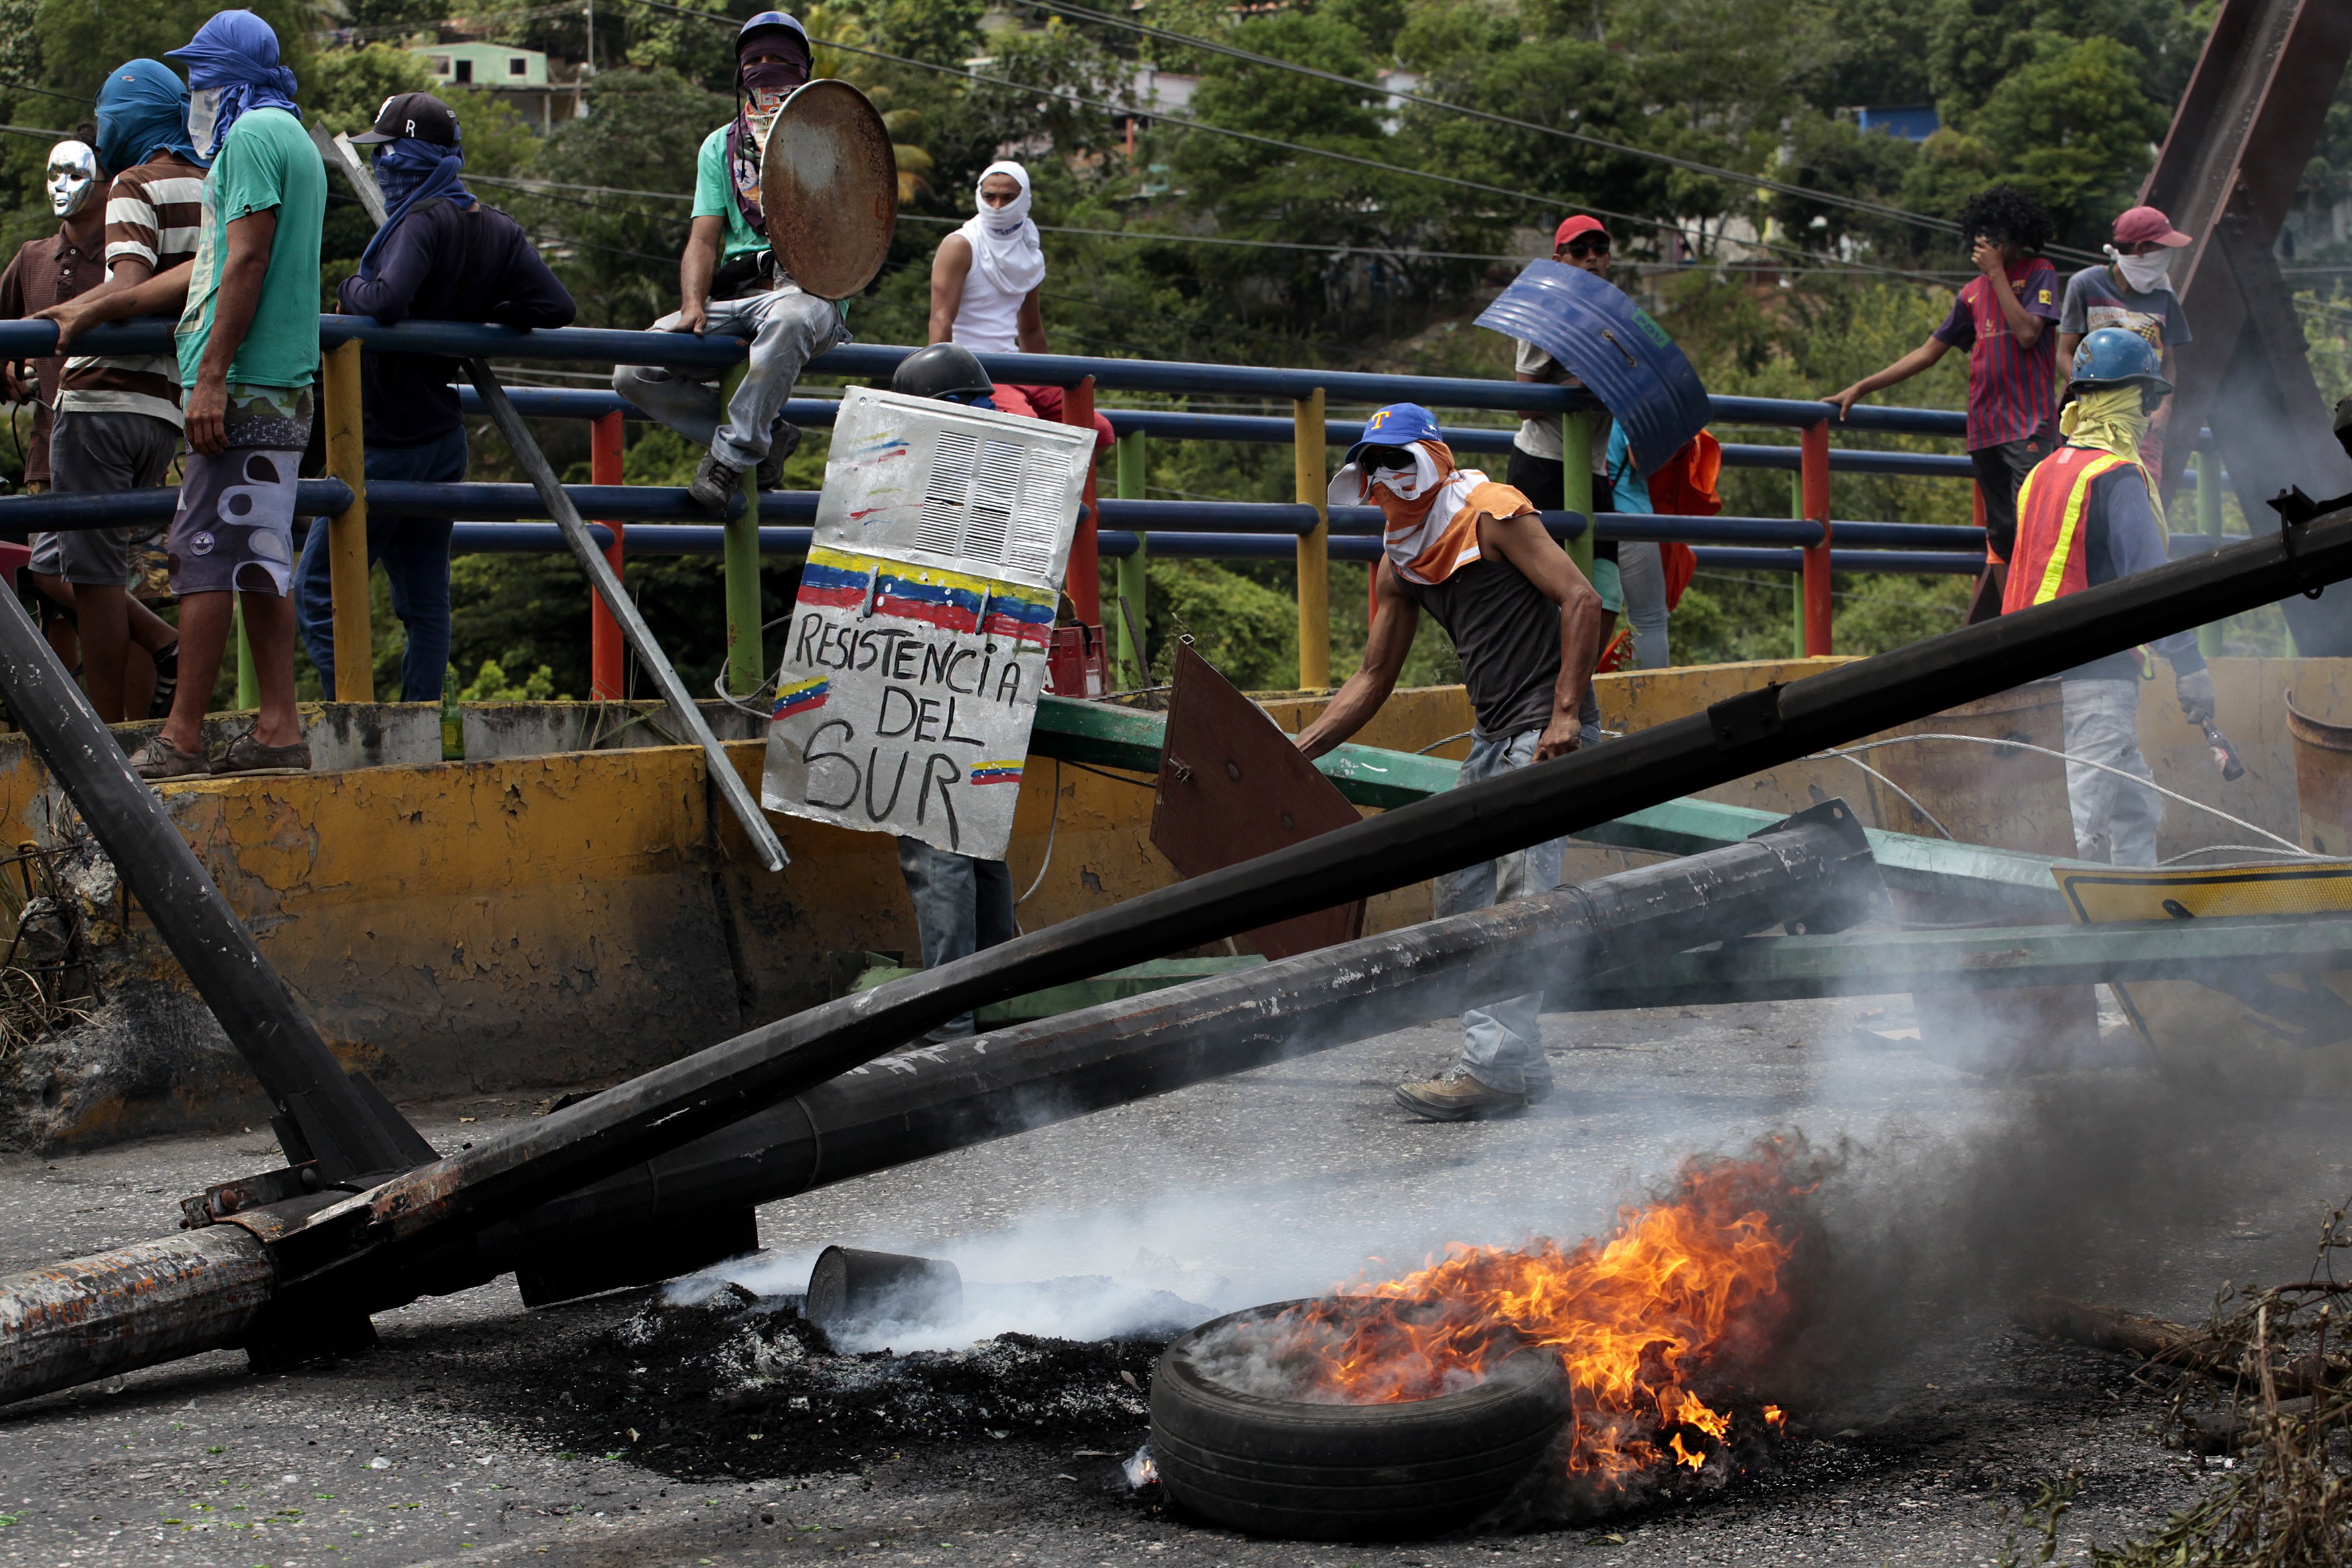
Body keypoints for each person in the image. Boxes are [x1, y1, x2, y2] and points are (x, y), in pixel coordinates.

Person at [1296, 403, 1605, 1121]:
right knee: (1462, 894)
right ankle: (1517, 1066)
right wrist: (1299, 751)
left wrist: (1564, 715)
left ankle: (1491, 1070)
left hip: (1542, 729)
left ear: (1433, 454)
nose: (1390, 479)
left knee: (1516, 899)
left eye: (1401, 460)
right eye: (1375, 466)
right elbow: (1373, 678)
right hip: (1493, 734)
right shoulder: (1401, 556)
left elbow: (1581, 600)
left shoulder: (1491, 511)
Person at [45, 10, 325, 779]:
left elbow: (245, 263)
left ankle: (183, 737)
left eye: (205, 74)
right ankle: (279, 730)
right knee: (260, 558)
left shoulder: (251, 140)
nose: (196, 90)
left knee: (200, 554)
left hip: (241, 383)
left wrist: (209, 377)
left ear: (231, 74)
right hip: (282, 383)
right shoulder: (292, 137)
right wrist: (109, 304)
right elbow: (211, 264)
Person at [295, 91, 574, 702]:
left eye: (388, 152)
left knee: (316, 590)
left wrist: (348, 286)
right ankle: (419, 720)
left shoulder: (421, 220)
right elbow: (555, 306)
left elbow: (387, 300)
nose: (381, 166)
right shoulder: (494, 225)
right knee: (425, 603)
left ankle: (354, 713)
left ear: (411, 155)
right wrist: (479, 314)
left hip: (385, 437)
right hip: (441, 441)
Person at [612, 11, 846, 513]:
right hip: (737, 296)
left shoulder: (836, 142)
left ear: (804, 69)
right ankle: (768, 433)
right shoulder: (720, 147)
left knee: (789, 317)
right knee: (633, 370)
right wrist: (693, 304)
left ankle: (730, 457)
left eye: (779, 61)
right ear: (740, 73)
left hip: (807, 298)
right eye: (755, 61)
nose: (766, 70)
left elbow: (856, 237)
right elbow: (703, 239)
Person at [2001, 328, 2211, 868]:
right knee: (2080, 829)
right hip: (2092, 680)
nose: (2149, 412)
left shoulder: (2042, 473)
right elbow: (2150, 582)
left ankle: (2134, 915)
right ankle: (2071, 943)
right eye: (2146, 398)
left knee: (2133, 809)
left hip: (2028, 673)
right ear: (2126, 399)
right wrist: (2188, 666)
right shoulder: (2115, 477)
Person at [49, 60, 211, 726]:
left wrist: (56, 320)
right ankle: (128, 720)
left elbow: (127, 285)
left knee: (92, 580)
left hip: (100, 398)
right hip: (165, 407)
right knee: (93, 565)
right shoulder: (213, 187)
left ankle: (103, 735)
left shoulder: (130, 186)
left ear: (124, 119)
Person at [883, 341, 1018, 1037]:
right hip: (994, 681)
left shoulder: (914, 487)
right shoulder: (1012, 477)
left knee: (939, 849)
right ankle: (1004, 1002)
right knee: (981, 843)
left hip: (930, 684)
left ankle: (950, 1021)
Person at [1825, 186, 2062, 563]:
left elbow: (2028, 334)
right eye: (1981, 233)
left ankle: (2043, 613)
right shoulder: (1971, 294)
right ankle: (2013, 616)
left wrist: (1998, 273)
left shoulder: (2039, 273)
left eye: (1995, 234)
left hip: (2029, 425)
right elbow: (1927, 353)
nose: (1985, 242)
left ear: (2014, 237)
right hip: (1985, 428)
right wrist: (1861, 387)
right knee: (2001, 534)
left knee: (2033, 522)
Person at [1507, 215, 1668, 669]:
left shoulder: (1617, 318)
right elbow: (1524, 399)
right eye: (1580, 250)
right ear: (1559, 260)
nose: (1592, 257)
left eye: (1599, 248)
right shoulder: (1545, 312)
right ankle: (1540, 690)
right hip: (1543, 465)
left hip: (1593, 471)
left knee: (1604, 596)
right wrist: (1587, 381)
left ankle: (1572, 686)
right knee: (1542, 594)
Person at [0, 136, 108, 669]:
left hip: (116, 448)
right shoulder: (32, 259)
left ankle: (138, 724)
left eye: (76, 172)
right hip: (46, 451)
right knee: (53, 597)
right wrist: (9, 371)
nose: (62, 187)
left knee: (118, 580)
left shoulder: (128, 262)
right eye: (54, 173)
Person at [925, 160, 1112, 447]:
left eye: (1008, 197)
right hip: (976, 370)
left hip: (1016, 367)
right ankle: (1028, 491)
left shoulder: (1029, 248)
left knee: (1098, 431)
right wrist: (943, 390)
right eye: (990, 197)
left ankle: (1054, 492)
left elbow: (1032, 329)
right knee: (1027, 433)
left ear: (1024, 199)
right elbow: (940, 319)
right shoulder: (961, 245)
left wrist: (1046, 380)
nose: (998, 205)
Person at [2055, 204, 2193, 481]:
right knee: (2090, 492)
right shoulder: (2086, 284)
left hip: (2143, 422)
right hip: (2092, 421)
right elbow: (2064, 353)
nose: (2169, 255)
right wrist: (2091, 398)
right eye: (2162, 247)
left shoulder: (2164, 295)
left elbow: (2168, 362)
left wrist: (2164, 407)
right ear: (2141, 249)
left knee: (2143, 492)